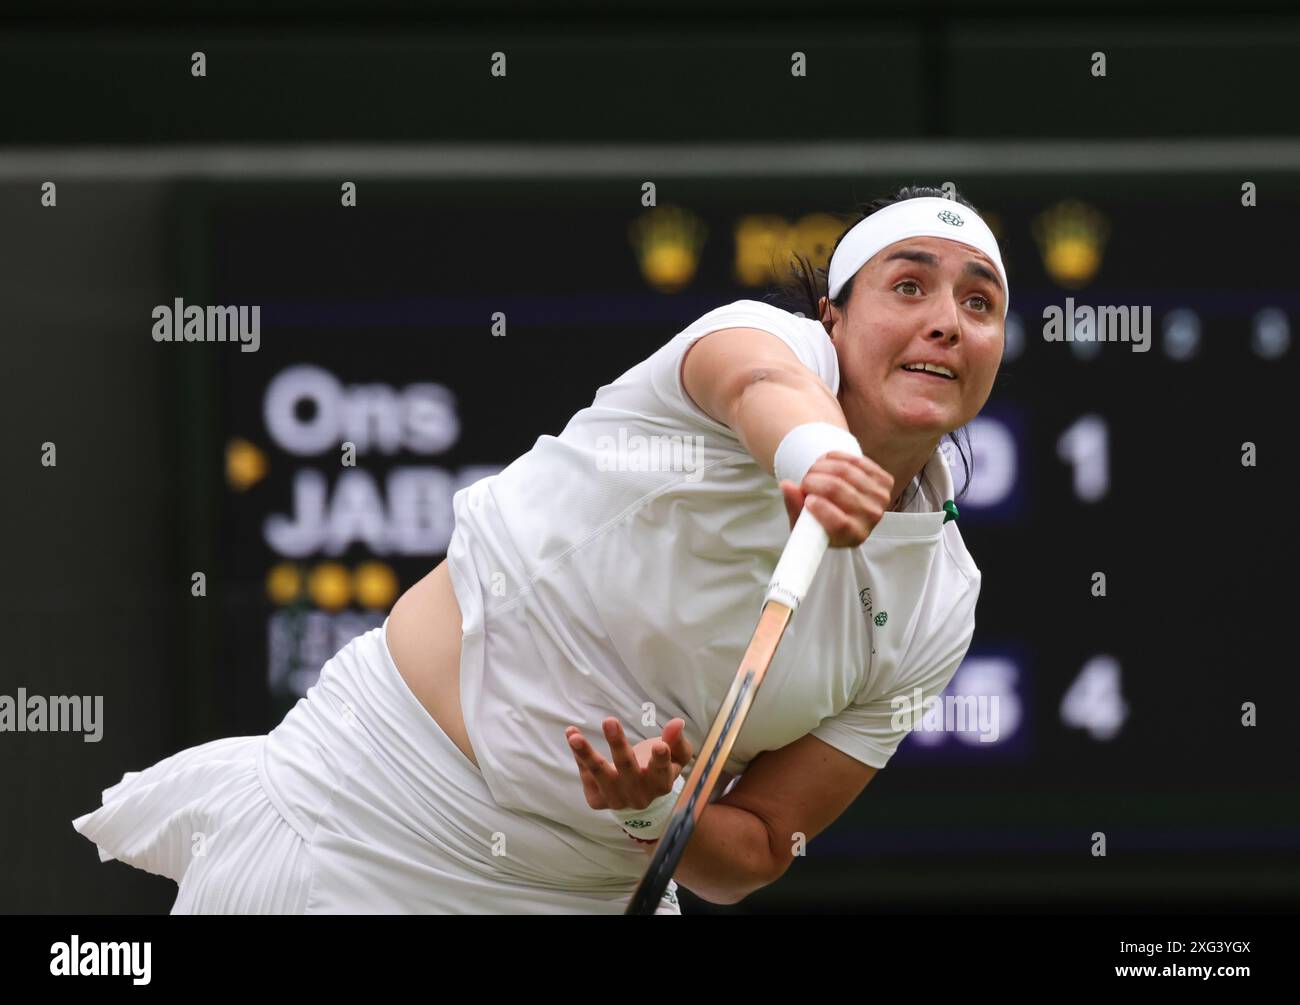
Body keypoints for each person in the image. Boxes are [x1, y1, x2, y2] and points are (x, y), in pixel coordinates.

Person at [73, 184, 1006, 913]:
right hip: (359, 825)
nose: (946, 320)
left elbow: (759, 847)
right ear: (831, 318)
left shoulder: (940, 604)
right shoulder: (758, 340)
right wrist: (817, 458)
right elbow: (763, 385)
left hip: (585, 893)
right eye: (909, 284)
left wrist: (653, 811)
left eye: (979, 302)